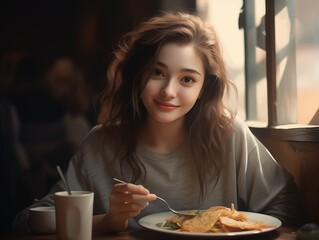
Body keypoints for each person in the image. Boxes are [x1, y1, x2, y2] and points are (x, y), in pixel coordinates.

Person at [13, 12, 301, 233]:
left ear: (205, 88)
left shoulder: (229, 135)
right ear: (138, 74)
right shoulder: (101, 144)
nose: (168, 91)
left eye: (187, 79)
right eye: (158, 73)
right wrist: (109, 220)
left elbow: (286, 205)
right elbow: (25, 221)